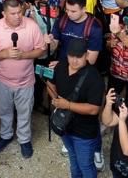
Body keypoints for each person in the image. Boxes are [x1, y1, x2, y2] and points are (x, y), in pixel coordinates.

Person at [0, 0, 46, 158]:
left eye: (19, 12)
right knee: (4, 110)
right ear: (4, 13)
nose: (17, 16)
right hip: (2, 79)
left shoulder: (32, 26)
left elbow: (41, 49)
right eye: (12, 13)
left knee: (24, 111)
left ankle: (24, 139)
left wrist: (24, 55)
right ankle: (5, 135)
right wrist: (5, 53)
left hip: (26, 79)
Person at [47, 37, 106, 178]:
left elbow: (93, 109)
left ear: (86, 55)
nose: (74, 61)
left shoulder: (94, 77)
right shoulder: (60, 66)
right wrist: (55, 99)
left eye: (79, 57)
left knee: (85, 164)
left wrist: (67, 105)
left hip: (84, 132)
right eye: (71, 56)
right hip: (65, 126)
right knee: (73, 159)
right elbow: (50, 83)